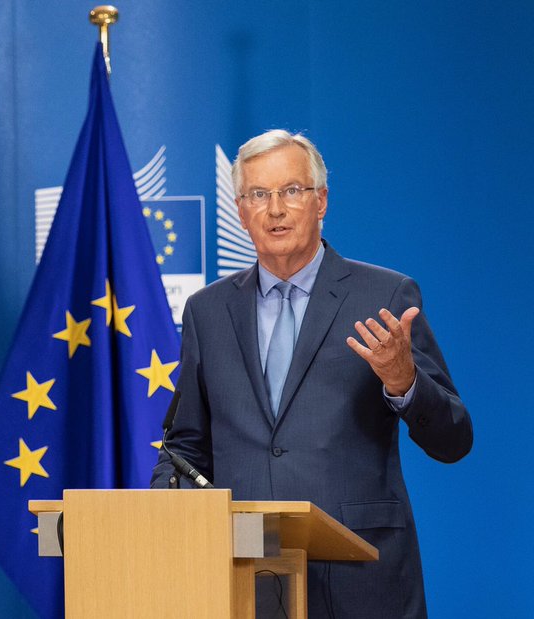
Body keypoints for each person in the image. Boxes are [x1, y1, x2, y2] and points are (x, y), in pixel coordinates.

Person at [150, 130, 472, 618]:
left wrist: (404, 383)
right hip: (244, 578)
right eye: (259, 194)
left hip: (362, 577)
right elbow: (186, 447)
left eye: (291, 191)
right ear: (240, 211)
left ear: (320, 201)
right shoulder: (207, 311)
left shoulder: (384, 296)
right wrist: (155, 526)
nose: (275, 208)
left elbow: (454, 439)